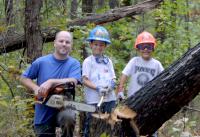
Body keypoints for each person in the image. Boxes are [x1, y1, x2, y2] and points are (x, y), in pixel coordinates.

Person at [20, 31, 81, 137]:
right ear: (54, 43)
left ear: (71, 45)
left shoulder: (74, 63)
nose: (64, 44)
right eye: (61, 41)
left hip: (64, 107)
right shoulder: (41, 62)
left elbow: (73, 81)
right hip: (44, 111)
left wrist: (51, 81)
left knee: (69, 118)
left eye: (67, 42)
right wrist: (35, 88)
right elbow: (24, 78)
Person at [117, 31, 164, 137]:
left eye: (149, 46)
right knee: (132, 126)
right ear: (138, 48)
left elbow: (164, 79)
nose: (146, 49)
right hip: (134, 101)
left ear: (153, 48)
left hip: (150, 101)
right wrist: (120, 90)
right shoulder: (134, 61)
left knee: (151, 126)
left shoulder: (157, 64)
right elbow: (124, 74)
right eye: (143, 46)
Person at [82, 26, 117, 137]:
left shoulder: (108, 61)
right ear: (91, 44)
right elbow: (84, 80)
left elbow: (113, 78)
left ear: (105, 46)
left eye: (101, 45)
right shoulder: (88, 61)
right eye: (96, 44)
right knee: (92, 125)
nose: (98, 47)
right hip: (94, 99)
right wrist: (98, 88)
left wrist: (111, 85)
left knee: (109, 125)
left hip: (109, 98)